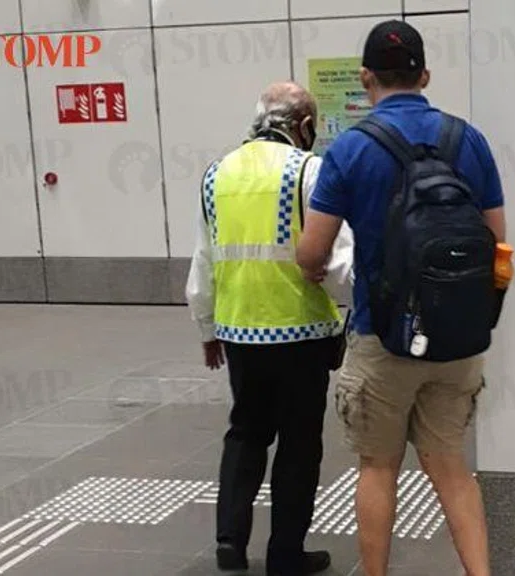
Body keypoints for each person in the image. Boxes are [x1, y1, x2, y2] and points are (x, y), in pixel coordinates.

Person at [295, 20, 505, 576]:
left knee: (378, 467)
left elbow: (313, 251)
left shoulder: (351, 149)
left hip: (382, 335)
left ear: (367, 79)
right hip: (457, 338)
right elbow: (498, 243)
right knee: (451, 468)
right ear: (425, 75)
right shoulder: (468, 140)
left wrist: (314, 266)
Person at [186, 81, 354, 576]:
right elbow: (341, 263)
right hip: (301, 334)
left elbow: (203, 261)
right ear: (304, 127)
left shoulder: (217, 174)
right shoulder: (310, 170)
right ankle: (284, 554)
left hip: (239, 333)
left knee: (246, 433)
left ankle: (230, 545)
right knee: (299, 445)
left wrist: (206, 328)